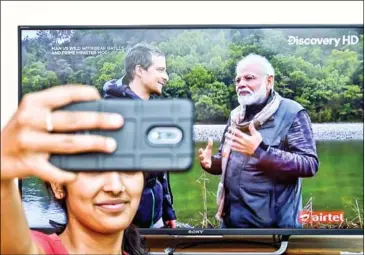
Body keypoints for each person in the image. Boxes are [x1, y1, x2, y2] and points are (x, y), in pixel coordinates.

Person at [1, 85, 148, 255]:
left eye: (128, 168)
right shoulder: (40, 248)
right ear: (58, 185)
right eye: (94, 168)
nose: (115, 187)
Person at [198, 53, 319, 228]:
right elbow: (227, 162)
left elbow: (309, 164)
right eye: (237, 80)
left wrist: (261, 151)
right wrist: (211, 164)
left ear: (269, 81)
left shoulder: (292, 113)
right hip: (231, 225)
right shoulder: (236, 116)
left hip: (273, 230)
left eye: (249, 78)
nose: (241, 84)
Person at [103, 43, 177, 229]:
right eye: (160, 70)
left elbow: (161, 172)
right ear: (139, 71)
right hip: (124, 225)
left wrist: (168, 211)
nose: (165, 77)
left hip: (155, 219)